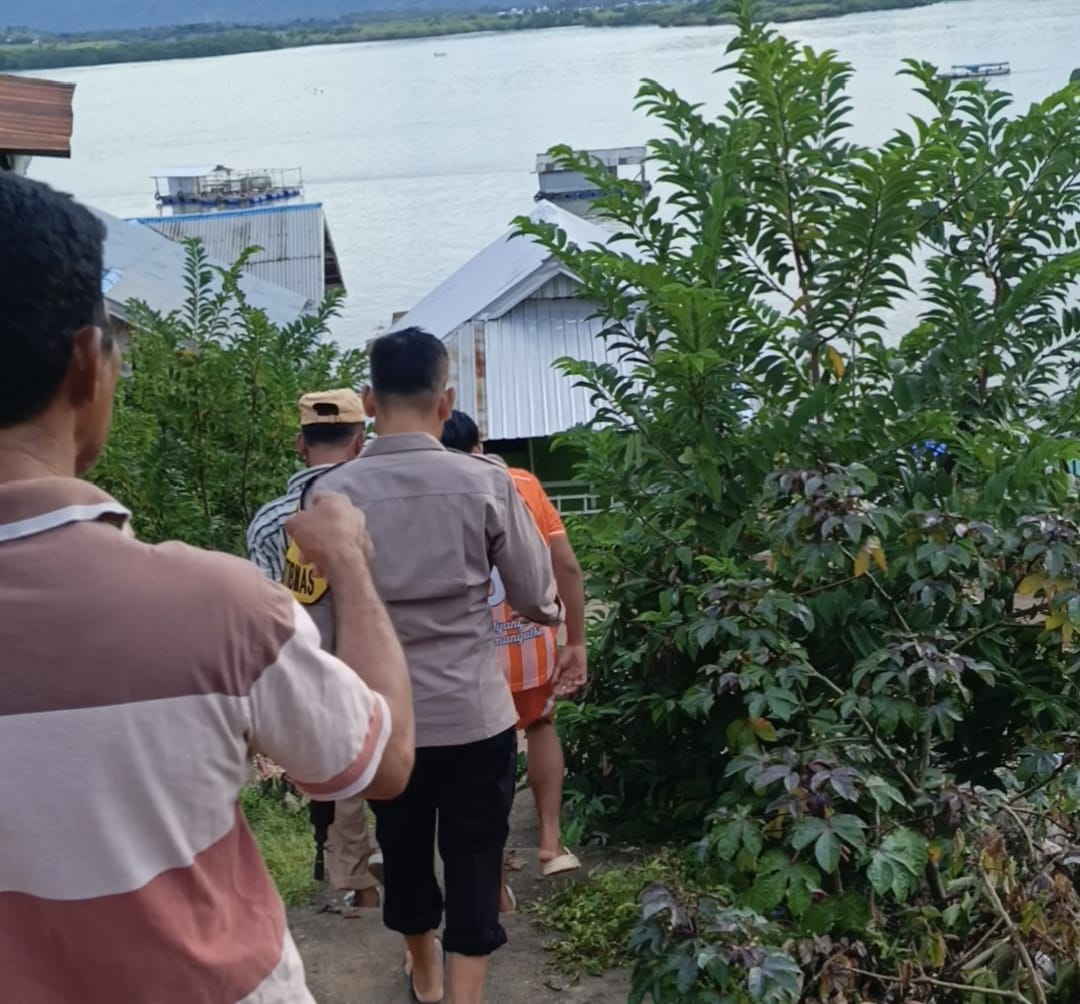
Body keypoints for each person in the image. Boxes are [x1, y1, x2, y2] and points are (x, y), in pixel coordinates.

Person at [0, 172, 415, 1004]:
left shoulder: (256, 545)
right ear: (87, 364)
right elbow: (387, 758)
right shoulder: (215, 606)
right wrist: (350, 566)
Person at [301, 327, 561, 1004]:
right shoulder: (486, 481)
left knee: (404, 845)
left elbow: (316, 624)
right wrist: (556, 616)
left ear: (368, 401)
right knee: (475, 853)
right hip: (475, 712)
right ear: (445, 403)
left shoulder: (329, 495)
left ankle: (425, 975)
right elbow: (535, 595)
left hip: (386, 718)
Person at [440, 411, 588, 893]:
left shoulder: (430, 490)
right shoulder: (522, 483)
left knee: (479, 754)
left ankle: (494, 867)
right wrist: (576, 639)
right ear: (479, 445)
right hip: (529, 642)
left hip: (465, 654)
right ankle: (550, 842)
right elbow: (566, 566)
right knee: (541, 725)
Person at [247, 388, 382, 910]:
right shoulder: (377, 506)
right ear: (360, 441)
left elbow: (266, 613)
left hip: (314, 679)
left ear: (300, 444)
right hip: (387, 665)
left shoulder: (270, 522)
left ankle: (348, 881)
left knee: (335, 772)